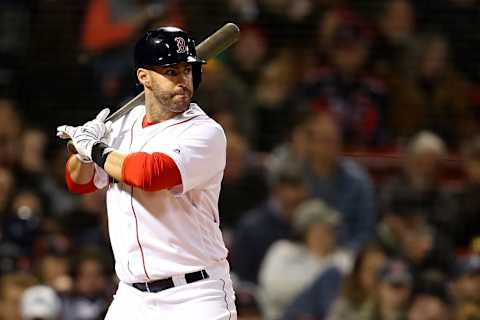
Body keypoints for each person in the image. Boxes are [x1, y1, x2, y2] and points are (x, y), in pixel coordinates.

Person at [56, 26, 237, 319]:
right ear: (144, 77)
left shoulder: (205, 132)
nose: (182, 81)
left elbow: (151, 175)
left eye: (187, 70)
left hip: (194, 294)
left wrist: (96, 151)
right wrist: (83, 151)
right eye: (171, 72)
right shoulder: (123, 125)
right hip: (132, 297)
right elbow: (78, 182)